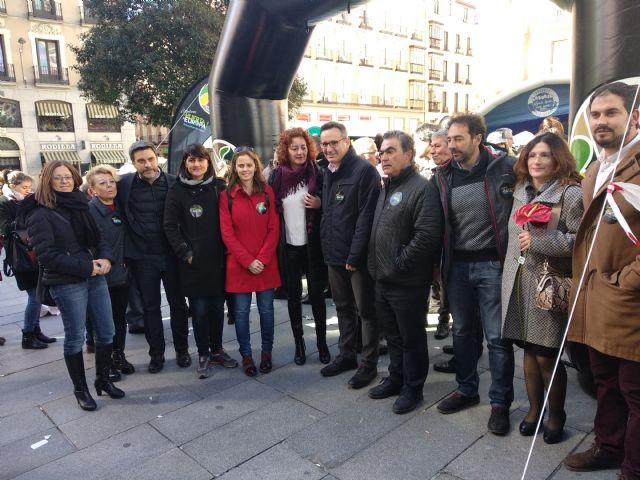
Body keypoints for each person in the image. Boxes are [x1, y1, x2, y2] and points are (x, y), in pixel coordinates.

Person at [563, 81, 640, 480]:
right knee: (604, 382)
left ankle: (633, 467)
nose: (601, 122)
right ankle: (608, 447)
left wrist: (629, 281)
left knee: (635, 391)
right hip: (594, 301)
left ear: (635, 116)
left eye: (611, 112)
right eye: (595, 115)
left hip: (629, 304)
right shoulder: (595, 167)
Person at [433, 113, 516, 436]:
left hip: (493, 265)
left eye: (458, 139)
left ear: (477, 138)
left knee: (497, 338)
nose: (451, 146)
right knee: (463, 333)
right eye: (449, 139)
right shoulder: (441, 176)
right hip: (457, 267)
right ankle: (467, 390)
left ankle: (500, 403)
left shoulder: (505, 167)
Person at [501, 133, 583, 444]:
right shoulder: (521, 191)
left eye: (544, 155)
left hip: (547, 286)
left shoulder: (570, 194)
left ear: (558, 159)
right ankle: (534, 411)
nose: (536, 161)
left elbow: (582, 241)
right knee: (528, 349)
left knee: (547, 354)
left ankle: (556, 414)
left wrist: (542, 242)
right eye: (532, 155)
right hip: (518, 282)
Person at [24, 160, 124, 411]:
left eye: (68, 176)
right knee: (75, 338)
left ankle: (103, 379)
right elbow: (47, 256)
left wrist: (105, 259)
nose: (64, 181)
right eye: (58, 178)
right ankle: (81, 389)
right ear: (48, 181)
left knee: (106, 331)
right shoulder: (40, 213)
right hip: (67, 282)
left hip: (95, 276)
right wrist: (88, 267)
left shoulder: (82, 206)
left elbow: (99, 238)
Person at [367, 130, 442, 414]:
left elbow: (426, 236)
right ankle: (396, 378)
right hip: (382, 279)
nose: (382, 157)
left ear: (408, 155)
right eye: (381, 152)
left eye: (390, 151)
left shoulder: (422, 189)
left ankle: (413, 388)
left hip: (406, 282)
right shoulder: (387, 186)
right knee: (394, 336)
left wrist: (396, 265)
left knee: (411, 338)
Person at [164, 144, 237, 380]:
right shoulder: (176, 190)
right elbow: (169, 226)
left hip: (217, 261)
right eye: (192, 160)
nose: (197, 165)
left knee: (217, 309)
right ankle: (203, 354)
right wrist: (185, 252)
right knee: (199, 310)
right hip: (192, 263)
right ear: (185, 163)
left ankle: (217, 350)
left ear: (209, 163)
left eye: (201, 160)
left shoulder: (219, 187)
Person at [117, 140, 190, 373]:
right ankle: (156, 354)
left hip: (171, 256)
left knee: (178, 305)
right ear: (133, 163)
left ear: (157, 158)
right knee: (150, 308)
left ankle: (182, 350)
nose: (147, 164)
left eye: (150, 159)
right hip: (143, 258)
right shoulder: (124, 185)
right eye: (141, 161)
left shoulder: (174, 182)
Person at [319, 121, 381, 389]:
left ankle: (368, 364)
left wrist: (354, 256)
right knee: (343, 308)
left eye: (334, 142)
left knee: (366, 312)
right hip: (334, 253)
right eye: (324, 144)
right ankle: (346, 355)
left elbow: (365, 217)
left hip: (356, 257)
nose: (329, 148)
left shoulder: (364, 171)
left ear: (347, 142)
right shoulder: (329, 171)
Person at [270, 128, 330, 366]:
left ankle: (322, 343)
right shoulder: (276, 176)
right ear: (286, 150)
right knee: (293, 297)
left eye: (303, 147)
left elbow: (333, 208)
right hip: (289, 247)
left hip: (313, 247)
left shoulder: (319, 173)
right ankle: (299, 344)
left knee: (317, 297)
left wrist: (320, 203)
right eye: (294, 147)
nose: (299, 152)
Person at [220, 147, 280, 377]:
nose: (245, 169)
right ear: (234, 168)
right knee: (242, 313)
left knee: (266, 311)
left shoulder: (267, 192)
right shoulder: (226, 196)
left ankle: (266, 353)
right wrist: (248, 261)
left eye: (249, 165)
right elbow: (227, 234)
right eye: (240, 165)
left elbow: (274, 228)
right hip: (239, 265)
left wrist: (262, 259)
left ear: (256, 166)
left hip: (265, 264)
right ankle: (246, 355)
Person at [86, 165, 135, 377]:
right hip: (101, 275)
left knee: (119, 318)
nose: (109, 186)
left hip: (122, 274)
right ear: (93, 190)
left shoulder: (120, 206)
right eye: (102, 183)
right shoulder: (89, 211)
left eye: (111, 182)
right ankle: (105, 365)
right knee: (102, 323)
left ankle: (119, 355)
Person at [0, 170, 56, 349]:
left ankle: (36, 331)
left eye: (29, 187)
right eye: (24, 187)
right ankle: (28, 334)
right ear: (13, 186)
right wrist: (27, 217)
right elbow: (5, 228)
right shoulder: (4, 202)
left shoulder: (28, 201)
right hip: (20, 255)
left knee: (38, 293)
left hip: (34, 252)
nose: (27, 190)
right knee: (34, 296)